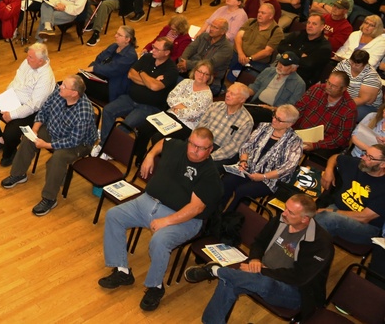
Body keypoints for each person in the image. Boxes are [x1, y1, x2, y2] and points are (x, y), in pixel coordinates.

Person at [97, 128, 222, 312]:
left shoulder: (210, 174)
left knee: (160, 241)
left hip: (184, 219)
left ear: (210, 150)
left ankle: (155, 287)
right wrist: (150, 155)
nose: (195, 150)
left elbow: (195, 208)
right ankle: (122, 271)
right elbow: (162, 142)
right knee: (114, 215)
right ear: (188, 142)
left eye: (201, 148)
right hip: (148, 202)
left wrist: (167, 221)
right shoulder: (179, 147)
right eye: (193, 145)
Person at [187, 193, 333, 324]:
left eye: (290, 212)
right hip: (261, 272)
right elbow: (259, 242)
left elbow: (299, 278)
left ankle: (216, 271)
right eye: (286, 208)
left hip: (295, 292)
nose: (284, 212)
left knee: (262, 283)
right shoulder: (281, 220)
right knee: (230, 282)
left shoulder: (320, 243)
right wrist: (255, 259)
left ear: (305, 219)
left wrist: (263, 272)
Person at [0, 75, 99, 216]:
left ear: (74, 93)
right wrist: (34, 130)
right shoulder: (59, 93)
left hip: (79, 144)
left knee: (57, 158)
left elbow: (74, 140)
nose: (60, 87)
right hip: (55, 130)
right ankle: (18, 174)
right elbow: (44, 111)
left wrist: (46, 144)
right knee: (29, 139)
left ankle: (49, 198)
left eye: (64, 86)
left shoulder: (84, 112)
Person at [0, 43, 55, 167]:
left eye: (30, 57)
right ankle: (1, 141)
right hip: (13, 99)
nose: (26, 59)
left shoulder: (46, 78)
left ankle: (10, 153)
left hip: (31, 111)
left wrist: (12, 115)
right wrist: (5, 97)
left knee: (11, 133)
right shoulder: (28, 63)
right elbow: (16, 81)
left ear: (41, 61)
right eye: (28, 56)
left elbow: (33, 105)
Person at [221, 105, 304, 210]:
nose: (274, 120)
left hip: (269, 179)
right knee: (227, 181)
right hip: (249, 168)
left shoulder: (295, 141)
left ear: (290, 124)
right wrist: (243, 160)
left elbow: (288, 168)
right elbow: (247, 146)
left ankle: (228, 219)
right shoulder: (264, 127)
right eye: (274, 116)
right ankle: (216, 213)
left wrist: (264, 176)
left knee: (243, 191)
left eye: (279, 120)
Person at [97, 39, 179, 145]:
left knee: (127, 124)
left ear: (166, 52)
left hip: (149, 106)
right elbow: (131, 74)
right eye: (153, 47)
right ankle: (105, 143)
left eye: (157, 49)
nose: (152, 50)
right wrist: (150, 80)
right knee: (108, 110)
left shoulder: (171, 70)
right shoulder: (147, 57)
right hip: (131, 98)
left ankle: (106, 146)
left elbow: (154, 87)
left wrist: (141, 72)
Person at [315, 145, 385, 246]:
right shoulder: (358, 164)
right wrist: (329, 170)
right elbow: (335, 157)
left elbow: (364, 217)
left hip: (366, 227)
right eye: (365, 153)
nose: (363, 158)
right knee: (311, 215)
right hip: (337, 210)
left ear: (383, 164)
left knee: (327, 219)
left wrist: (331, 211)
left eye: (370, 157)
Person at [294, 71, 357, 154]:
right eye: (328, 83)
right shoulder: (317, 89)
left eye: (334, 86)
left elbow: (341, 137)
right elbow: (298, 109)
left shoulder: (349, 109)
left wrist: (316, 145)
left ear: (344, 89)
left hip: (325, 143)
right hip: (301, 132)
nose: (329, 87)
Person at [81, 26, 138, 103]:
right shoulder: (114, 46)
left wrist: (94, 69)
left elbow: (113, 69)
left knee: (79, 84)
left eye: (119, 35)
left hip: (112, 87)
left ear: (127, 39)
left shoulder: (130, 56)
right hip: (101, 77)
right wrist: (90, 70)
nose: (115, 36)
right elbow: (99, 58)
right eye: (116, 33)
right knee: (79, 79)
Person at [246, 52, 307, 121]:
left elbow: (290, 108)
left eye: (284, 65)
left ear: (294, 68)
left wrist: (272, 108)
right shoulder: (268, 71)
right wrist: (243, 92)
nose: (279, 66)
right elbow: (255, 87)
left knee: (246, 114)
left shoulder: (299, 84)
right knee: (235, 105)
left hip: (274, 111)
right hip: (256, 103)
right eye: (279, 62)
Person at [179, 18, 235, 89]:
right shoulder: (203, 36)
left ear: (223, 32)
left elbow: (210, 64)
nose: (211, 29)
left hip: (209, 78)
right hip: (192, 70)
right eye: (211, 26)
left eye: (215, 27)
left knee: (183, 86)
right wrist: (183, 61)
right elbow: (190, 48)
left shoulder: (226, 48)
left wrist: (188, 64)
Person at [278, 14, 332, 86]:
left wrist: (289, 53)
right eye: (308, 23)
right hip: (283, 70)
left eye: (314, 24)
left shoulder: (325, 47)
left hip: (302, 79)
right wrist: (299, 53)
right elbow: (280, 46)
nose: (310, 26)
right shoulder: (299, 34)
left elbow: (308, 64)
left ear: (322, 27)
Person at [334, 49, 384, 122]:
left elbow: (363, 99)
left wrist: (340, 104)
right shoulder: (345, 64)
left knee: (343, 114)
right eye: (352, 62)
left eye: (357, 65)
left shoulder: (371, 76)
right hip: (345, 97)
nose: (353, 66)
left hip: (367, 106)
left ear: (365, 64)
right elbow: (334, 79)